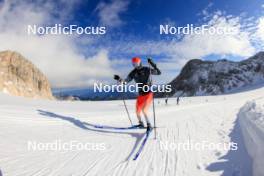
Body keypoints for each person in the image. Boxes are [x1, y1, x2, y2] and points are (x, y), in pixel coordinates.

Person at [114, 57, 161, 130]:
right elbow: (126, 81)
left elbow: (158, 73)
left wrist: (152, 64)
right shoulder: (133, 72)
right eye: (133, 64)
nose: (135, 65)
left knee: (144, 110)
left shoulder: (147, 69)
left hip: (148, 92)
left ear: (140, 62)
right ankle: (141, 124)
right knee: (137, 110)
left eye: (136, 63)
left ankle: (149, 125)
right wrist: (119, 79)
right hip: (141, 93)